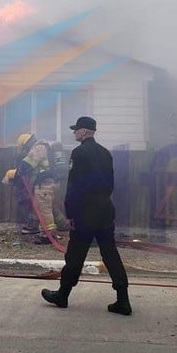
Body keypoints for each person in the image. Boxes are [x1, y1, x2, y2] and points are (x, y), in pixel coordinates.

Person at [41, 116, 132, 315]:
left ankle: (62, 295)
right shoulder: (106, 154)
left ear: (84, 132)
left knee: (75, 255)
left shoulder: (79, 152)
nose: (74, 132)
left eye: (76, 130)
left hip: (85, 211)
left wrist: (70, 212)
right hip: (105, 210)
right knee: (110, 254)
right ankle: (123, 300)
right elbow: (111, 184)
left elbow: (74, 186)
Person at [14, 133, 68, 244]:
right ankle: (63, 225)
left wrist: (20, 168)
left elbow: (28, 162)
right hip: (49, 184)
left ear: (26, 144)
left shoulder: (39, 147)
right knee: (49, 207)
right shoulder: (44, 146)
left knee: (45, 211)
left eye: (24, 148)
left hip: (44, 185)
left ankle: (48, 235)